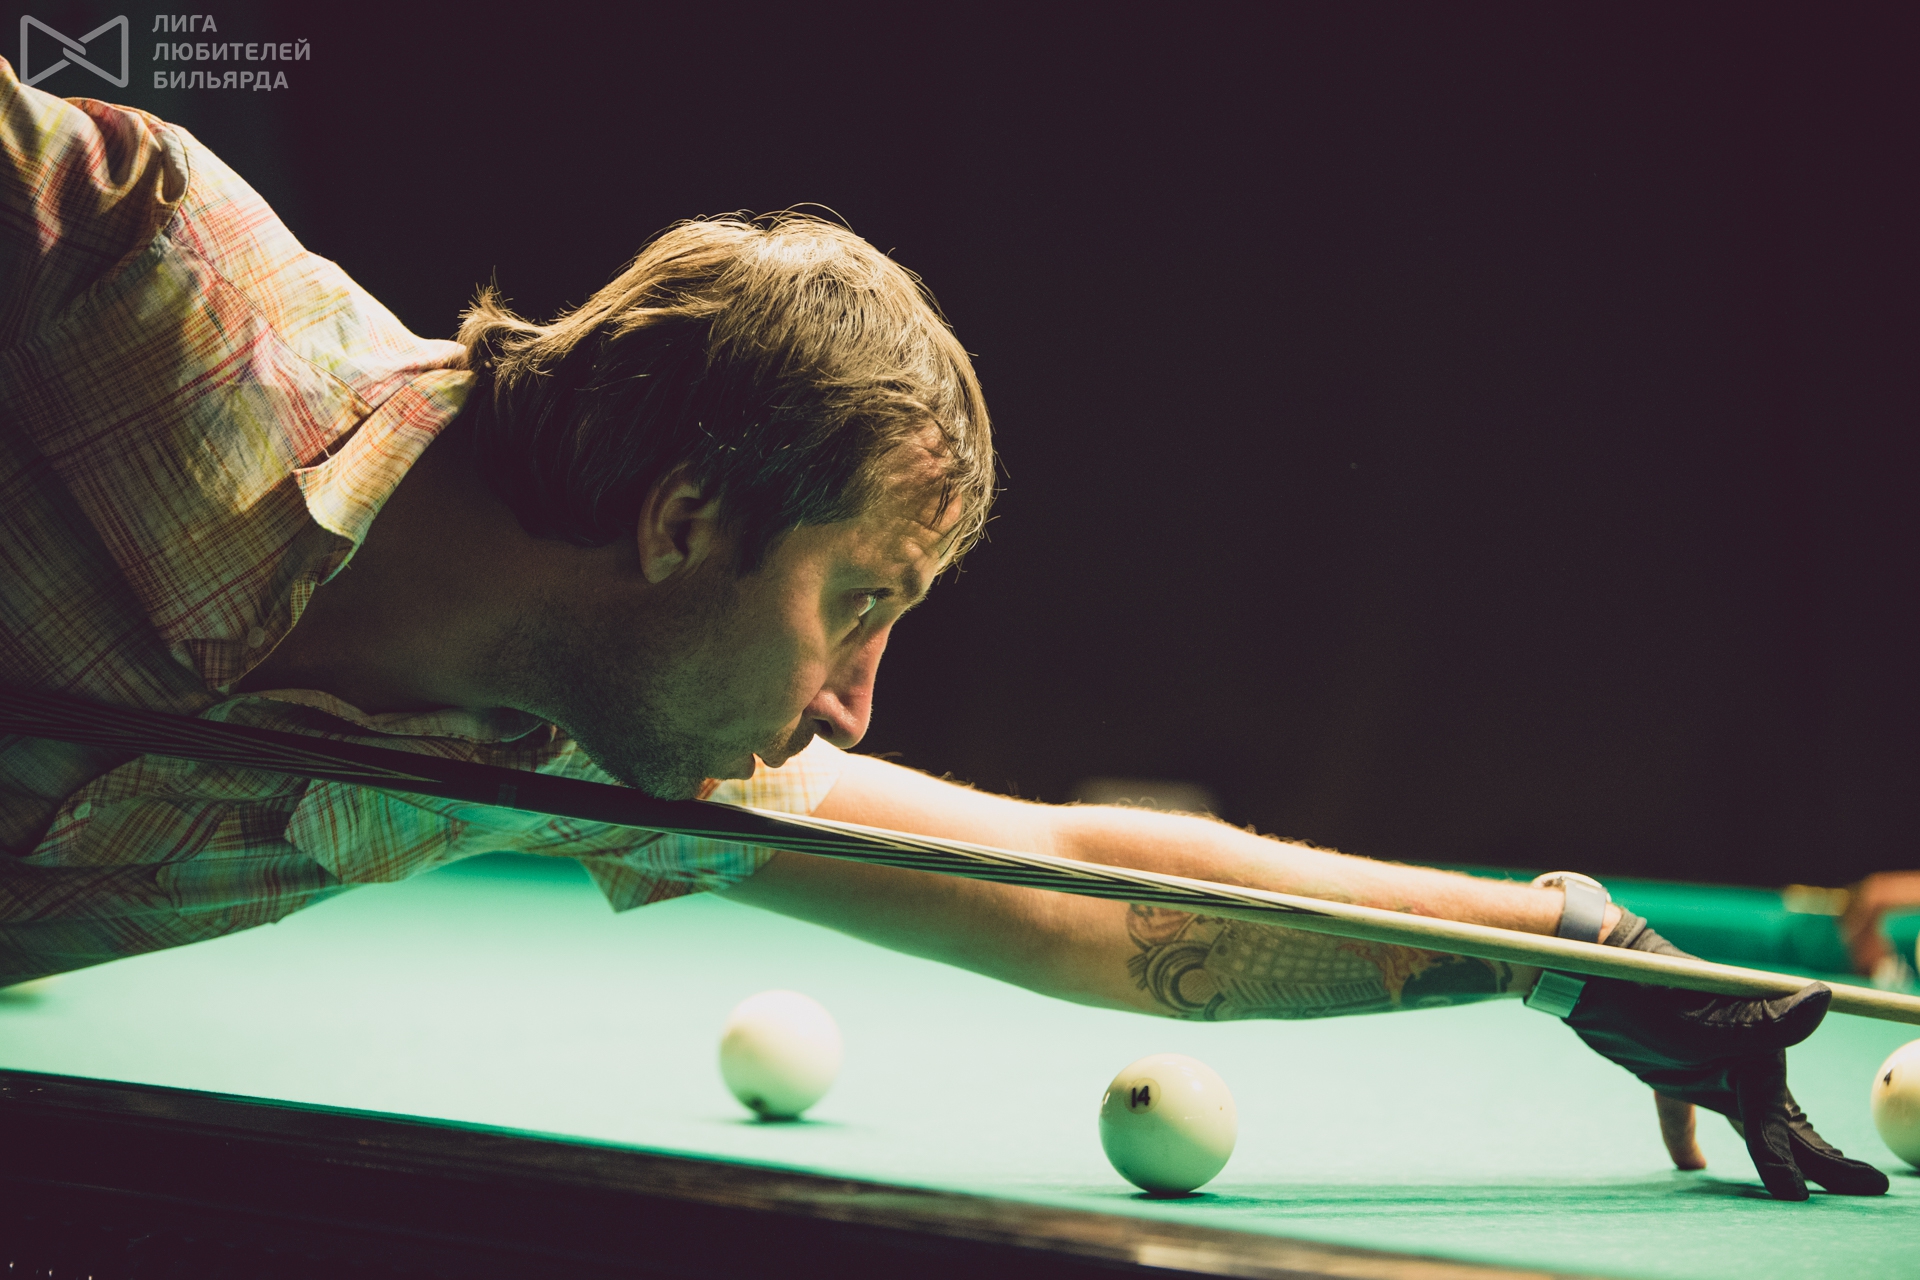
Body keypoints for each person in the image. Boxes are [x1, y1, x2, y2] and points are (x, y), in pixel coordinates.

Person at [0, 59, 1887, 1202]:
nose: (850, 703)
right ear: (682, 523)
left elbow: (1068, 892)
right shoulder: (135, 277)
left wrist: (1558, 950)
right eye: (858, 603)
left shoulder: (590, 741)